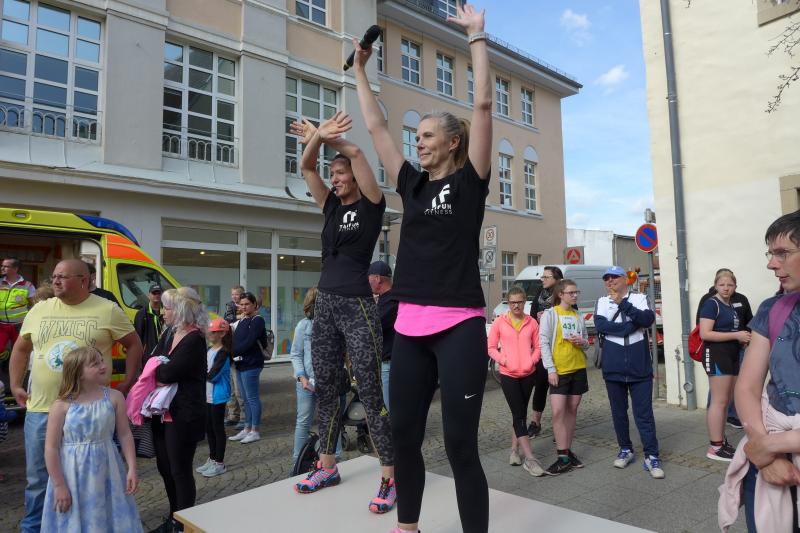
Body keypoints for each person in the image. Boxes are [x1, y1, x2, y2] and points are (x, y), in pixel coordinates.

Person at [353, 4, 493, 532]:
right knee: (403, 437)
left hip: (459, 324)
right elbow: (376, 126)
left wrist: (476, 37)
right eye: (418, 135)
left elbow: (483, 104)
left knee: (460, 445)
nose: (419, 140)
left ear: (452, 142)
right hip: (409, 325)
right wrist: (360, 69)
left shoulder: (470, 181)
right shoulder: (411, 184)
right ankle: (406, 526)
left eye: (429, 135)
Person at [289, 110, 395, 515]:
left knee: (369, 389)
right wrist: (316, 138)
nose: (334, 178)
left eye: (340, 173)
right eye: (332, 174)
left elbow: (356, 152)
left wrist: (327, 136)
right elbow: (306, 166)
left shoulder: (371, 204)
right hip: (326, 306)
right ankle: (327, 467)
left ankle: (390, 477)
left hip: (357, 306)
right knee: (327, 389)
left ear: (354, 175)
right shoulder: (330, 206)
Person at [9, 259, 143, 533]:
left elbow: (134, 345)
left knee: (93, 475)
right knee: (38, 479)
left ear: (84, 280)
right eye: (54, 276)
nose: (55, 281)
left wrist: (128, 382)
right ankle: (34, 528)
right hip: (43, 407)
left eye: (63, 276)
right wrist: (15, 384)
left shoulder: (107, 309)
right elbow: (21, 349)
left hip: (90, 410)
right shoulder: (40, 309)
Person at [719, 211, 800, 532]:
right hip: (770, 457)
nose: (771, 264)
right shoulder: (772, 309)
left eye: (783, 253)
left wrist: (768, 447)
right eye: (770, 254)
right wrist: (766, 455)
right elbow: (748, 387)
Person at [41, 346, 142, 532]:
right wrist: (59, 484)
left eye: (101, 361)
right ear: (78, 372)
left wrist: (132, 468)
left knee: (109, 516)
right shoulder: (61, 405)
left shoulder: (115, 397)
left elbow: (125, 434)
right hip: (72, 474)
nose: (103, 366)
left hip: (108, 470)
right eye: (95, 364)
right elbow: (51, 448)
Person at [147, 287, 208, 533]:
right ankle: (174, 517)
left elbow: (166, 372)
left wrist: (157, 369)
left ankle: (183, 524)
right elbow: (151, 361)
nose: (162, 313)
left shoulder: (194, 339)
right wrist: (157, 369)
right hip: (162, 412)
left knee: (179, 470)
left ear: (181, 310)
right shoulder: (169, 332)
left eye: (167, 308)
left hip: (183, 415)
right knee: (165, 468)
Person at [595, 266, 664, 479]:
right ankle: (625, 448)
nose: (610, 281)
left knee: (644, 414)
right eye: (607, 278)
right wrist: (627, 328)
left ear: (625, 279)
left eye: (614, 277)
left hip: (639, 366)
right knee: (618, 413)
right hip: (613, 366)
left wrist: (622, 304)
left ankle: (651, 455)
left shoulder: (639, 298)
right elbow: (601, 325)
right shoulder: (601, 301)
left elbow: (646, 320)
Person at [487, 286, 545, 477]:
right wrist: (503, 360)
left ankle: (514, 450)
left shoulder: (532, 323)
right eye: (512, 302)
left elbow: (539, 347)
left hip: (528, 374)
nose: (516, 306)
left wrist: (531, 361)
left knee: (520, 412)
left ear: (524, 302)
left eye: (519, 302)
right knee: (519, 415)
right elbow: (491, 347)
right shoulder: (500, 322)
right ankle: (530, 458)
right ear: (508, 303)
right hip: (508, 375)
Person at [539, 279, 590, 475]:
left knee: (572, 410)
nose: (575, 295)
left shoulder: (578, 315)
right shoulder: (551, 314)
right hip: (559, 370)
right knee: (558, 411)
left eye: (577, 292)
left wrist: (582, 341)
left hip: (578, 368)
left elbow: (587, 343)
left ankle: (567, 453)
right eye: (571, 292)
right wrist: (550, 369)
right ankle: (562, 458)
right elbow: (543, 342)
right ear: (561, 294)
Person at [699, 270, 751, 462]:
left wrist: (742, 339)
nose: (726, 288)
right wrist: (736, 335)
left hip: (732, 354)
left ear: (735, 286)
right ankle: (715, 447)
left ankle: (721, 441)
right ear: (716, 285)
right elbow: (705, 333)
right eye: (722, 285)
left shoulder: (730, 305)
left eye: (730, 285)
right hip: (717, 354)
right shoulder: (711, 303)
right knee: (719, 401)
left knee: (726, 401)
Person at [527, 265, 563, 438]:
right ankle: (535, 422)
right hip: (542, 346)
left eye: (546, 277)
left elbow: (571, 315)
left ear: (556, 280)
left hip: (559, 347)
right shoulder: (539, 295)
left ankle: (561, 427)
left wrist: (549, 316)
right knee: (540, 384)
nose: (543, 279)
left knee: (560, 389)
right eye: (543, 276)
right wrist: (537, 318)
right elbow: (532, 316)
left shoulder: (563, 295)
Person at [228, 291, 267, 444]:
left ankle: (255, 430)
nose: (244, 307)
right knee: (245, 398)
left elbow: (250, 342)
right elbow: (236, 340)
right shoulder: (243, 320)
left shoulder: (258, 320)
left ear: (254, 305)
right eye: (241, 304)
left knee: (252, 398)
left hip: (252, 364)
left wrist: (232, 353)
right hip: (240, 364)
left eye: (247, 304)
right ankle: (247, 428)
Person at [197, 317, 233, 478]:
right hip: (207, 395)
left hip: (217, 396)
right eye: (209, 332)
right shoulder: (209, 350)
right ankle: (212, 458)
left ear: (222, 334)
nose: (209, 334)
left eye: (213, 332)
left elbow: (213, 375)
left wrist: (198, 375)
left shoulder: (224, 352)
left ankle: (219, 463)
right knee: (209, 428)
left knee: (217, 429)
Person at [369, 260, 397, 410]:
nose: (367, 283)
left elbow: (372, 327)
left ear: (377, 278)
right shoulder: (388, 299)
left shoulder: (390, 301)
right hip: (389, 363)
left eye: (369, 278)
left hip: (389, 364)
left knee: (388, 409)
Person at [0, 257, 35, 360]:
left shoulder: (27, 285)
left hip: (19, 326)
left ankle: (12, 364)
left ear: (15, 269)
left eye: (6, 266)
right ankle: (6, 356)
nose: (2, 268)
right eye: (2, 266)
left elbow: (34, 305)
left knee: (19, 352)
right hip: (1, 325)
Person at [224, 286, 245, 428]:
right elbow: (228, 318)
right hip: (229, 353)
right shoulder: (230, 306)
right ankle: (233, 415)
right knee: (230, 388)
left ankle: (244, 417)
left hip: (239, 355)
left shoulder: (246, 307)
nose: (234, 297)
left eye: (237, 294)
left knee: (239, 389)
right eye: (233, 294)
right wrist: (239, 317)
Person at [134, 284, 165, 357]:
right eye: (154, 293)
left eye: (159, 293)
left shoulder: (166, 312)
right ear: (149, 295)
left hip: (164, 354)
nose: (156, 295)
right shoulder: (141, 314)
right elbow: (137, 336)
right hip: (148, 355)